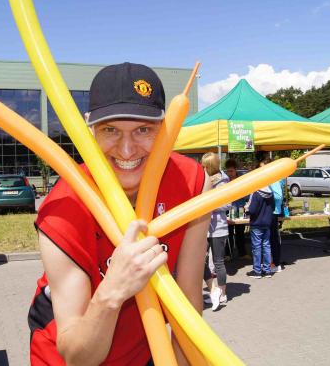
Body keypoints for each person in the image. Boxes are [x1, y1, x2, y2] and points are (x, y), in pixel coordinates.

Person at [28, 62, 211, 365]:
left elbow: (188, 305)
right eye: (110, 130)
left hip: (144, 349)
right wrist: (114, 289)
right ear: (89, 129)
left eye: (143, 130)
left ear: (165, 129)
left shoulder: (191, 182)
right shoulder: (62, 209)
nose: (127, 150)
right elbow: (77, 356)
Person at [201, 152, 231, 311]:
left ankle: (223, 293)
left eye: (205, 165)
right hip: (203, 229)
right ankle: (213, 290)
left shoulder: (223, 182)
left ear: (211, 166)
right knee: (199, 260)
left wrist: (210, 205)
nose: (202, 168)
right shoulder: (204, 181)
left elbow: (227, 205)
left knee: (218, 262)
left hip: (218, 228)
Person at [261, 158, 285, 273]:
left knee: (272, 239)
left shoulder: (273, 178)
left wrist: (267, 199)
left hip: (272, 212)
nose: (261, 170)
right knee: (269, 239)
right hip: (272, 211)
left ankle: (275, 263)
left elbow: (278, 196)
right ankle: (271, 262)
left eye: (263, 167)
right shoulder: (273, 178)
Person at [247, 180, 274, 279]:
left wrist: (247, 210)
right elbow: (273, 207)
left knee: (257, 247)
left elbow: (252, 210)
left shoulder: (256, 193)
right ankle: (267, 270)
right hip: (267, 223)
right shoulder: (271, 193)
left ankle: (257, 271)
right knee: (266, 246)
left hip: (257, 223)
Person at [224, 158, 248, 257]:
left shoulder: (241, 180)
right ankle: (228, 254)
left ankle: (242, 253)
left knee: (240, 232)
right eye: (228, 171)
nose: (230, 173)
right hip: (229, 209)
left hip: (240, 208)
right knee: (229, 232)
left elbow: (246, 194)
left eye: (231, 171)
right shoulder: (225, 181)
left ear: (235, 170)